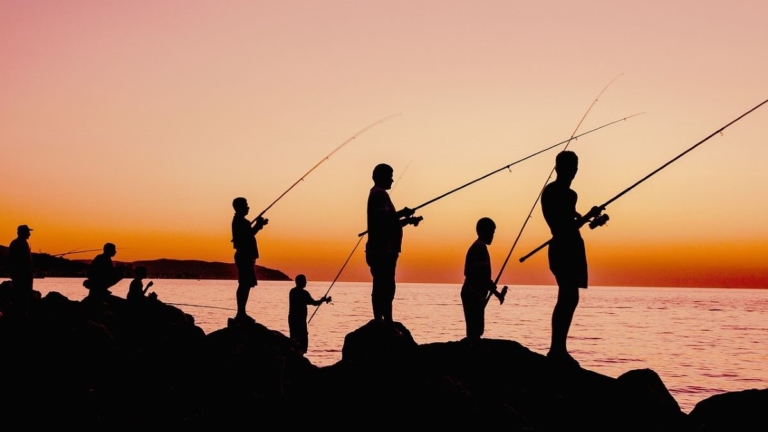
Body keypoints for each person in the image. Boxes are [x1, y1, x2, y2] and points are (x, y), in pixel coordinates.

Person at [541, 151, 603, 367]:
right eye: (570, 166)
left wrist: (585, 216)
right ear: (558, 168)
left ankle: (559, 348)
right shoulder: (561, 193)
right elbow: (563, 226)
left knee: (570, 297)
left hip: (570, 247)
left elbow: (569, 218)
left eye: (575, 166)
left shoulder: (562, 193)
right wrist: (586, 217)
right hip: (564, 247)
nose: (574, 171)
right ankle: (557, 350)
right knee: (567, 297)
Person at [365, 163, 422, 333]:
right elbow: (384, 220)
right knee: (386, 287)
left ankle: (381, 321)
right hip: (383, 250)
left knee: (381, 285)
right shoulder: (380, 194)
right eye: (390, 176)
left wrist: (408, 221)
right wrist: (403, 213)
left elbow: (388, 224)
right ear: (380, 177)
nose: (392, 179)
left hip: (381, 250)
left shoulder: (377, 194)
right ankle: (386, 323)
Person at [461, 217, 506, 342]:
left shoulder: (479, 246)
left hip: (474, 293)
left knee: (475, 329)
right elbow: (481, 274)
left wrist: (495, 292)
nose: (492, 236)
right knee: (475, 331)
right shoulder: (480, 247)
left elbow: (479, 275)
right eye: (491, 232)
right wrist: (495, 292)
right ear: (483, 231)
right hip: (473, 294)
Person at [231, 197, 268, 322]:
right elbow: (248, 235)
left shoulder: (241, 221)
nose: (248, 207)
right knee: (244, 284)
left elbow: (249, 233)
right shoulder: (240, 222)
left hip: (246, 256)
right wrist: (258, 225)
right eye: (246, 205)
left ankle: (242, 313)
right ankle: (241, 313)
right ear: (240, 207)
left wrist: (259, 225)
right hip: (244, 256)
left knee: (245, 285)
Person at [288, 274, 331, 354]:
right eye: (304, 281)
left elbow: (310, 302)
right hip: (300, 320)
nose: (306, 282)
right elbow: (314, 303)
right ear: (300, 282)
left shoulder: (292, 291)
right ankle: (299, 355)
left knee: (294, 336)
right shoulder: (303, 293)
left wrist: (322, 300)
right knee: (302, 338)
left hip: (292, 318)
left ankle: (295, 354)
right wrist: (323, 300)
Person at [8, 225, 34, 293]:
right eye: (28, 232)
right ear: (23, 233)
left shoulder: (15, 243)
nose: (29, 234)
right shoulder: (21, 244)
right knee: (24, 293)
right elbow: (24, 261)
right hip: (22, 276)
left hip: (20, 275)